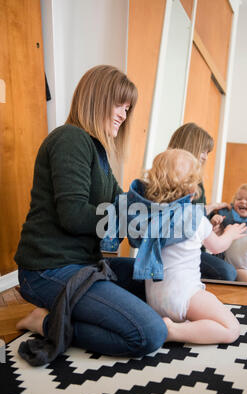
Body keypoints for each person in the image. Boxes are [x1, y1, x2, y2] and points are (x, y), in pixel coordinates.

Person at [14, 65, 168, 365]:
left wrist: (159, 206)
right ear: (97, 97)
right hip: (48, 269)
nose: (124, 115)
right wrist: (127, 216)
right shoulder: (70, 139)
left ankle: (66, 313)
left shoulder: (99, 155)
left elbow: (122, 204)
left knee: (159, 282)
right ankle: (44, 323)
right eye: (119, 105)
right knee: (150, 333)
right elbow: (73, 215)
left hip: (84, 266)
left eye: (128, 108)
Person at [102, 149, 246, 345]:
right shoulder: (195, 217)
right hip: (186, 296)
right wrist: (230, 234)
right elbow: (218, 246)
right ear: (192, 189)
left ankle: (174, 324)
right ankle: (174, 331)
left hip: (155, 300)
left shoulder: (148, 215)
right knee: (231, 328)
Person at [168, 123, 237, 281]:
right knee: (227, 272)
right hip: (178, 251)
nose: (205, 157)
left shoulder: (196, 182)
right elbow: (182, 216)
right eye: (203, 151)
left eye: (207, 152)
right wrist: (229, 234)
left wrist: (211, 222)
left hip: (195, 247)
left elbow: (196, 217)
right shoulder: (171, 179)